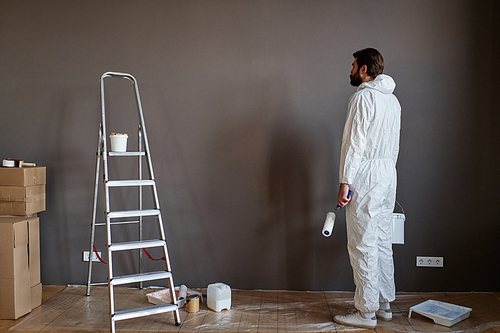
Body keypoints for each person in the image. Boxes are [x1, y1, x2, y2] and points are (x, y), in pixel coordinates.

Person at [334, 48, 401, 329]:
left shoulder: (363, 97)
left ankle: (365, 313)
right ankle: (384, 305)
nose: (350, 70)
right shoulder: (393, 101)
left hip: (368, 176)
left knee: (363, 242)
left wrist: (345, 182)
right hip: (388, 176)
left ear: (364, 69)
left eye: (353, 65)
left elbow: (354, 144)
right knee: (383, 241)